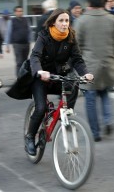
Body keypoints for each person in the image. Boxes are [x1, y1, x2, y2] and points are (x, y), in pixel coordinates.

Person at [25, 8, 94, 155]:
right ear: (54, 22)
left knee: (73, 84)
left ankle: (67, 116)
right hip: (42, 76)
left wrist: (85, 73)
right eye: (61, 20)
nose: (64, 24)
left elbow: (77, 59)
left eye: (67, 21)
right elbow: (35, 56)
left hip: (59, 75)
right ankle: (30, 136)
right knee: (41, 108)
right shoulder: (44, 36)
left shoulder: (70, 36)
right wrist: (39, 71)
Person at [74, 0, 114, 141]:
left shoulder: (81, 21)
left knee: (90, 99)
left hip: (89, 67)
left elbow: (76, 46)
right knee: (105, 94)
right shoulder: (112, 19)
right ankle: (108, 120)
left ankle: (95, 133)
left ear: (88, 3)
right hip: (109, 65)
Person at [5, 6, 31, 75]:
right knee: (19, 62)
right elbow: (8, 33)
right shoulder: (11, 21)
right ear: (15, 12)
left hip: (26, 44)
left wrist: (29, 41)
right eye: (18, 11)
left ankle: (25, 76)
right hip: (17, 44)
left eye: (21, 11)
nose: (20, 12)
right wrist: (7, 46)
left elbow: (29, 31)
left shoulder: (26, 20)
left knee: (25, 61)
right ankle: (19, 77)